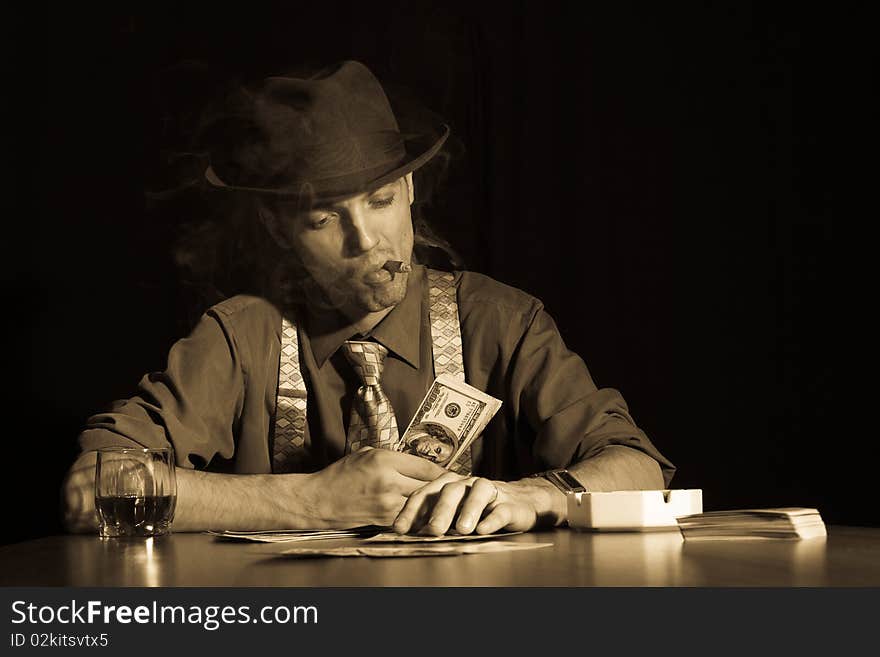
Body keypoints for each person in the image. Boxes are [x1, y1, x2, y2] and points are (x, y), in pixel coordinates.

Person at [62, 60, 674, 537]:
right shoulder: (239, 335)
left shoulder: (501, 322)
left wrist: (534, 496)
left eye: (381, 201)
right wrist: (310, 501)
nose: (367, 240)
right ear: (279, 229)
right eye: (326, 219)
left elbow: (638, 470)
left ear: (409, 188)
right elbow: (89, 491)